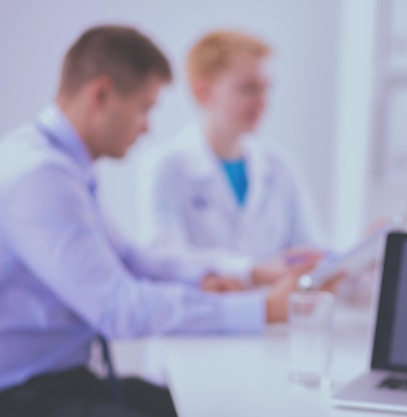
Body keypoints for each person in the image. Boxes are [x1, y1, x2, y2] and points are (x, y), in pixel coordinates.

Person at [0, 25, 336, 417]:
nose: (147, 126)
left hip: (63, 377)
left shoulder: (64, 166)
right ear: (101, 94)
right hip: (23, 393)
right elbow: (119, 309)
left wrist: (237, 275)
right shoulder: (41, 176)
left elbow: (130, 258)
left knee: (190, 404)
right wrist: (261, 309)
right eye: (144, 108)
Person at [139, 29, 328, 289]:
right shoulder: (166, 166)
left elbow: (311, 250)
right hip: (203, 322)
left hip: (276, 324)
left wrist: (357, 257)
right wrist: (254, 271)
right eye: (249, 89)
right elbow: (165, 258)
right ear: (204, 91)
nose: (263, 102)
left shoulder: (280, 165)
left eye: (266, 89)